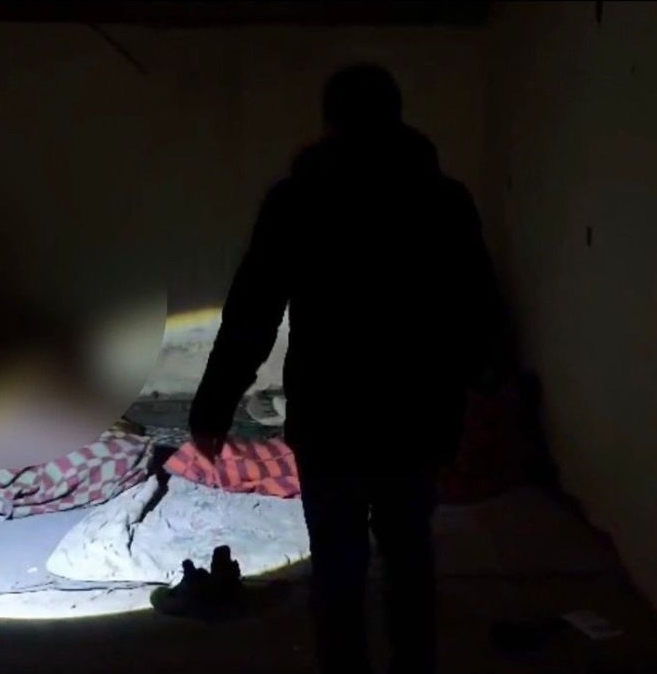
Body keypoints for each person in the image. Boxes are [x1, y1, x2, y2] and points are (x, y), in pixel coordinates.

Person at [189, 64, 499, 674]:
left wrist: (213, 407)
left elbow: (252, 312)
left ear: (329, 122)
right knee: (409, 560)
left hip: (330, 417)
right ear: (397, 114)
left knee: (337, 568)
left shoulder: (297, 201)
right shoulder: (443, 199)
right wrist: (466, 393)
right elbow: (477, 309)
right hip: (416, 414)